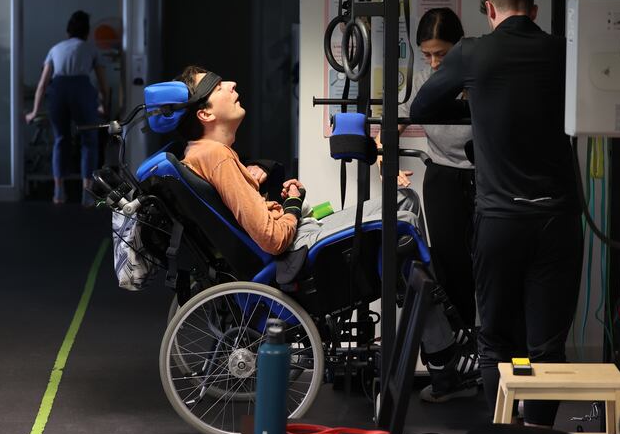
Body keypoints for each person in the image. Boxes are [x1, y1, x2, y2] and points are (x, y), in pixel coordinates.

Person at [175, 64, 480, 402]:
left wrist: (260, 189)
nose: (231, 83)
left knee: (402, 216)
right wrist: (291, 203)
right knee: (403, 218)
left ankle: (441, 350)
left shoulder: (201, 153)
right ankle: (444, 351)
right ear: (204, 113)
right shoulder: (215, 156)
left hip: (298, 240)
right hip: (297, 250)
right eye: (218, 86)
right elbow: (272, 238)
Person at [410, 0, 583, 427]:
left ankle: (504, 427)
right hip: (558, 219)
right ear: (535, 9)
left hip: (500, 219)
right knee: (546, 343)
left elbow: (422, 107)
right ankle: (540, 429)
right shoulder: (563, 51)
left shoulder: (473, 52)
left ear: (489, 10)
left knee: (497, 338)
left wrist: (477, 102)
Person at [399, 8, 477, 331]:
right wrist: (383, 159)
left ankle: (489, 353)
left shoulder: (479, 78)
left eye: (441, 54)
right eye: (427, 55)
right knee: (448, 266)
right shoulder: (421, 83)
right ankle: (459, 351)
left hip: (482, 179)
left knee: (485, 265)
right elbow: (390, 128)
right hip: (442, 181)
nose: (433, 63)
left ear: (458, 47)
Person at [25, 10, 110, 206]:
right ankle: (87, 194)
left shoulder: (55, 49)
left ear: (68, 31)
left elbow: (42, 84)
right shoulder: (91, 49)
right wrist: (103, 106)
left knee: (61, 140)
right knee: (89, 141)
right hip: (82, 91)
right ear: (87, 32)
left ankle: (59, 191)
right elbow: (103, 85)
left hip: (59, 92)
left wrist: (34, 112)